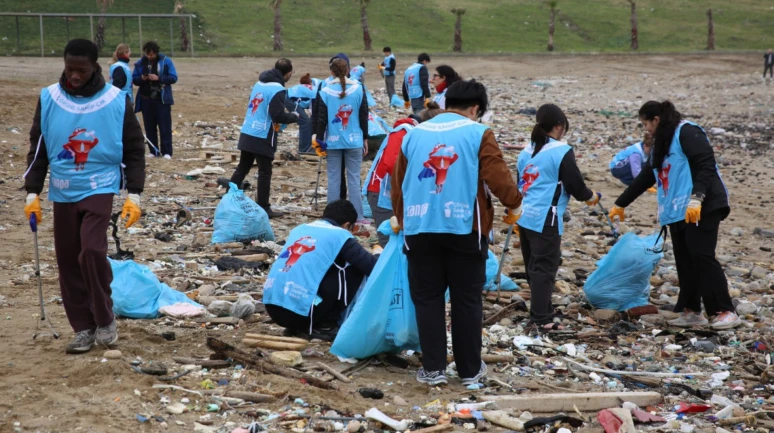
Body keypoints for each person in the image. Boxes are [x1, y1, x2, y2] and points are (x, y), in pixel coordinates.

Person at [391, 80, 523, 386]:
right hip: (464, 227)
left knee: (427, 298)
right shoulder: (478, 133)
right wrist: (514, 204)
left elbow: (399, 185)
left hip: (419, 227)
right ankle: (469, 371)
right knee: (466, 300)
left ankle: (434, 368)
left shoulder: (414, 133)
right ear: (476, 109)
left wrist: (403, 219)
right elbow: (498, 176)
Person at [23, 39, 145, 354]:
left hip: (100, 186)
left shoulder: (116, 100)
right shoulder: (49, 98)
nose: (75, 76)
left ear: (95, 68)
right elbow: (39, 148)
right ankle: (83, 328)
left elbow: (133, 148)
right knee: (67, 260)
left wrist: (135, 194)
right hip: (63, 190)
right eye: (69, 69)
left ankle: (105, 319)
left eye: (82, 70)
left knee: (92, 250)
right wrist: (32, 192)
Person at [609, 101, 738, 330]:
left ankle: (724, 310)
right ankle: (691, 311)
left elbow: (706, 164)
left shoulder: (687, 132)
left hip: (702, 205)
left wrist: (697, 197)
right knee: (684, 259)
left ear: (656, 119)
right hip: (677, 210)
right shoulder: (662, 142)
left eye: (646, 123)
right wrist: (621, 203)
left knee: (701, 255)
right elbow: (648, 175)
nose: (646, 129)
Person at [516, 104, 601, 329]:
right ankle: (540, 318)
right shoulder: (561, 151)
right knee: (545, 266)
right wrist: (591, 196)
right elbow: (575, 184)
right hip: (546, 216)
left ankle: (541, 308)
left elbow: (520, 182)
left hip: (524, 214)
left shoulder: (526, 150)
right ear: (559, 126)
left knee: (533, 265)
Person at [263, 200, 378, 340]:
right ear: (347, 225)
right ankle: (326, 324)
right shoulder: (340, 235)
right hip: (301, 314)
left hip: (273, 308)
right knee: (354, 270)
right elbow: (372, 267)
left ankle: (302, 324)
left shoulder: (301, 229)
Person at [364, 104, 443, 246]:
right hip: (382, 193)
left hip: (401, 194)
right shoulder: (403, 132)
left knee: (404, 240)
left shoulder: (418, 135)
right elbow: (391, 164)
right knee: (389, 241)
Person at [230, 58, 299, 219]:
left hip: (248, 130)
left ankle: (229, 198)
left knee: (243, 167)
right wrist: (294, 116)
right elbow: (277, 115)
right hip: (262, 134)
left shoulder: (259, 83)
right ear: (288, 73)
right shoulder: (277, 89)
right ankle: (264, 207)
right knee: (264, 172)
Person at [314, 58, 369, 223]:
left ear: (331, 72)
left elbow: (321, 119)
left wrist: (318, 139)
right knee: (353, 179)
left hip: (333, 141)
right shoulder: (359, 89)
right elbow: (363, 116)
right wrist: (365, 138)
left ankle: (331, 218)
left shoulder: (325, 91)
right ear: (347, 70)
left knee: (333, 180)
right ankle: (358, 217)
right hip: (355, 140)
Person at [131, 41, 177, 159]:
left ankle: (167, 151)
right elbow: (134, 79)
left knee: (164, 126)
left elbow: (173, 77)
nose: (149, 56)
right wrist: (142, 78)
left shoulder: (166, 61)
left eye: (151, 54)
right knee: (149, 126)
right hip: (146, 99)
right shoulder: (140, 63)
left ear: (156, 52)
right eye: (147, 54)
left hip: (161, 99)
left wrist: (159, 78)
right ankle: (153, 150)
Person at [286, 73, 317, 153]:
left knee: (306, 122)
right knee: (306, 122)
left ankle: (306, 146)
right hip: (289, 98)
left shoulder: (318, 86)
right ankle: (304, 149)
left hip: (292, 96)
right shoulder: (319, 92)